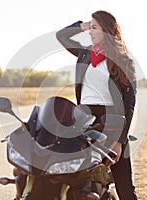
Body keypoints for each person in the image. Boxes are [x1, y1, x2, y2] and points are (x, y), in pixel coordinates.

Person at [56, 10, 138, 200]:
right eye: (89, 28)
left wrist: (120, 141)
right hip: (82, 118)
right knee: (76, 181)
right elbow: (61, 35)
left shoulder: (124, 60)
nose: (90, 33)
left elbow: (129, 104)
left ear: (106, 31)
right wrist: (84, 25)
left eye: (94, 28)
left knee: (124, 188)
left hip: (112, 120)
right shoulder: (85, 54)